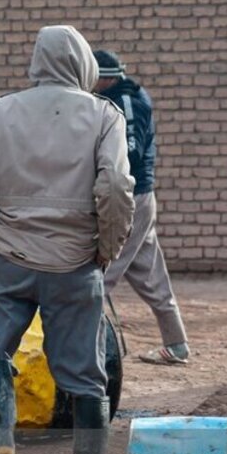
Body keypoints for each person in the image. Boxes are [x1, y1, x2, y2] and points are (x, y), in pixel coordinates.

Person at [0, 25, 135, 454]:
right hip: (74, 264)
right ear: (83, 64)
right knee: (85, 378)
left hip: (6, 259)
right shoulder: (105, 116)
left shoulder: (2, 111)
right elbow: (117, 188)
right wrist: (105, 249)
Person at [92, 49, 190, 365]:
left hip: (130, 199)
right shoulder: (123, 97)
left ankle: (80, 349)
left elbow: (128, 158)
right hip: (138, 199)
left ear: (105, 77)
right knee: (152, 277)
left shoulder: (127, 103)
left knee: (98, 276)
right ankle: (176, 344)